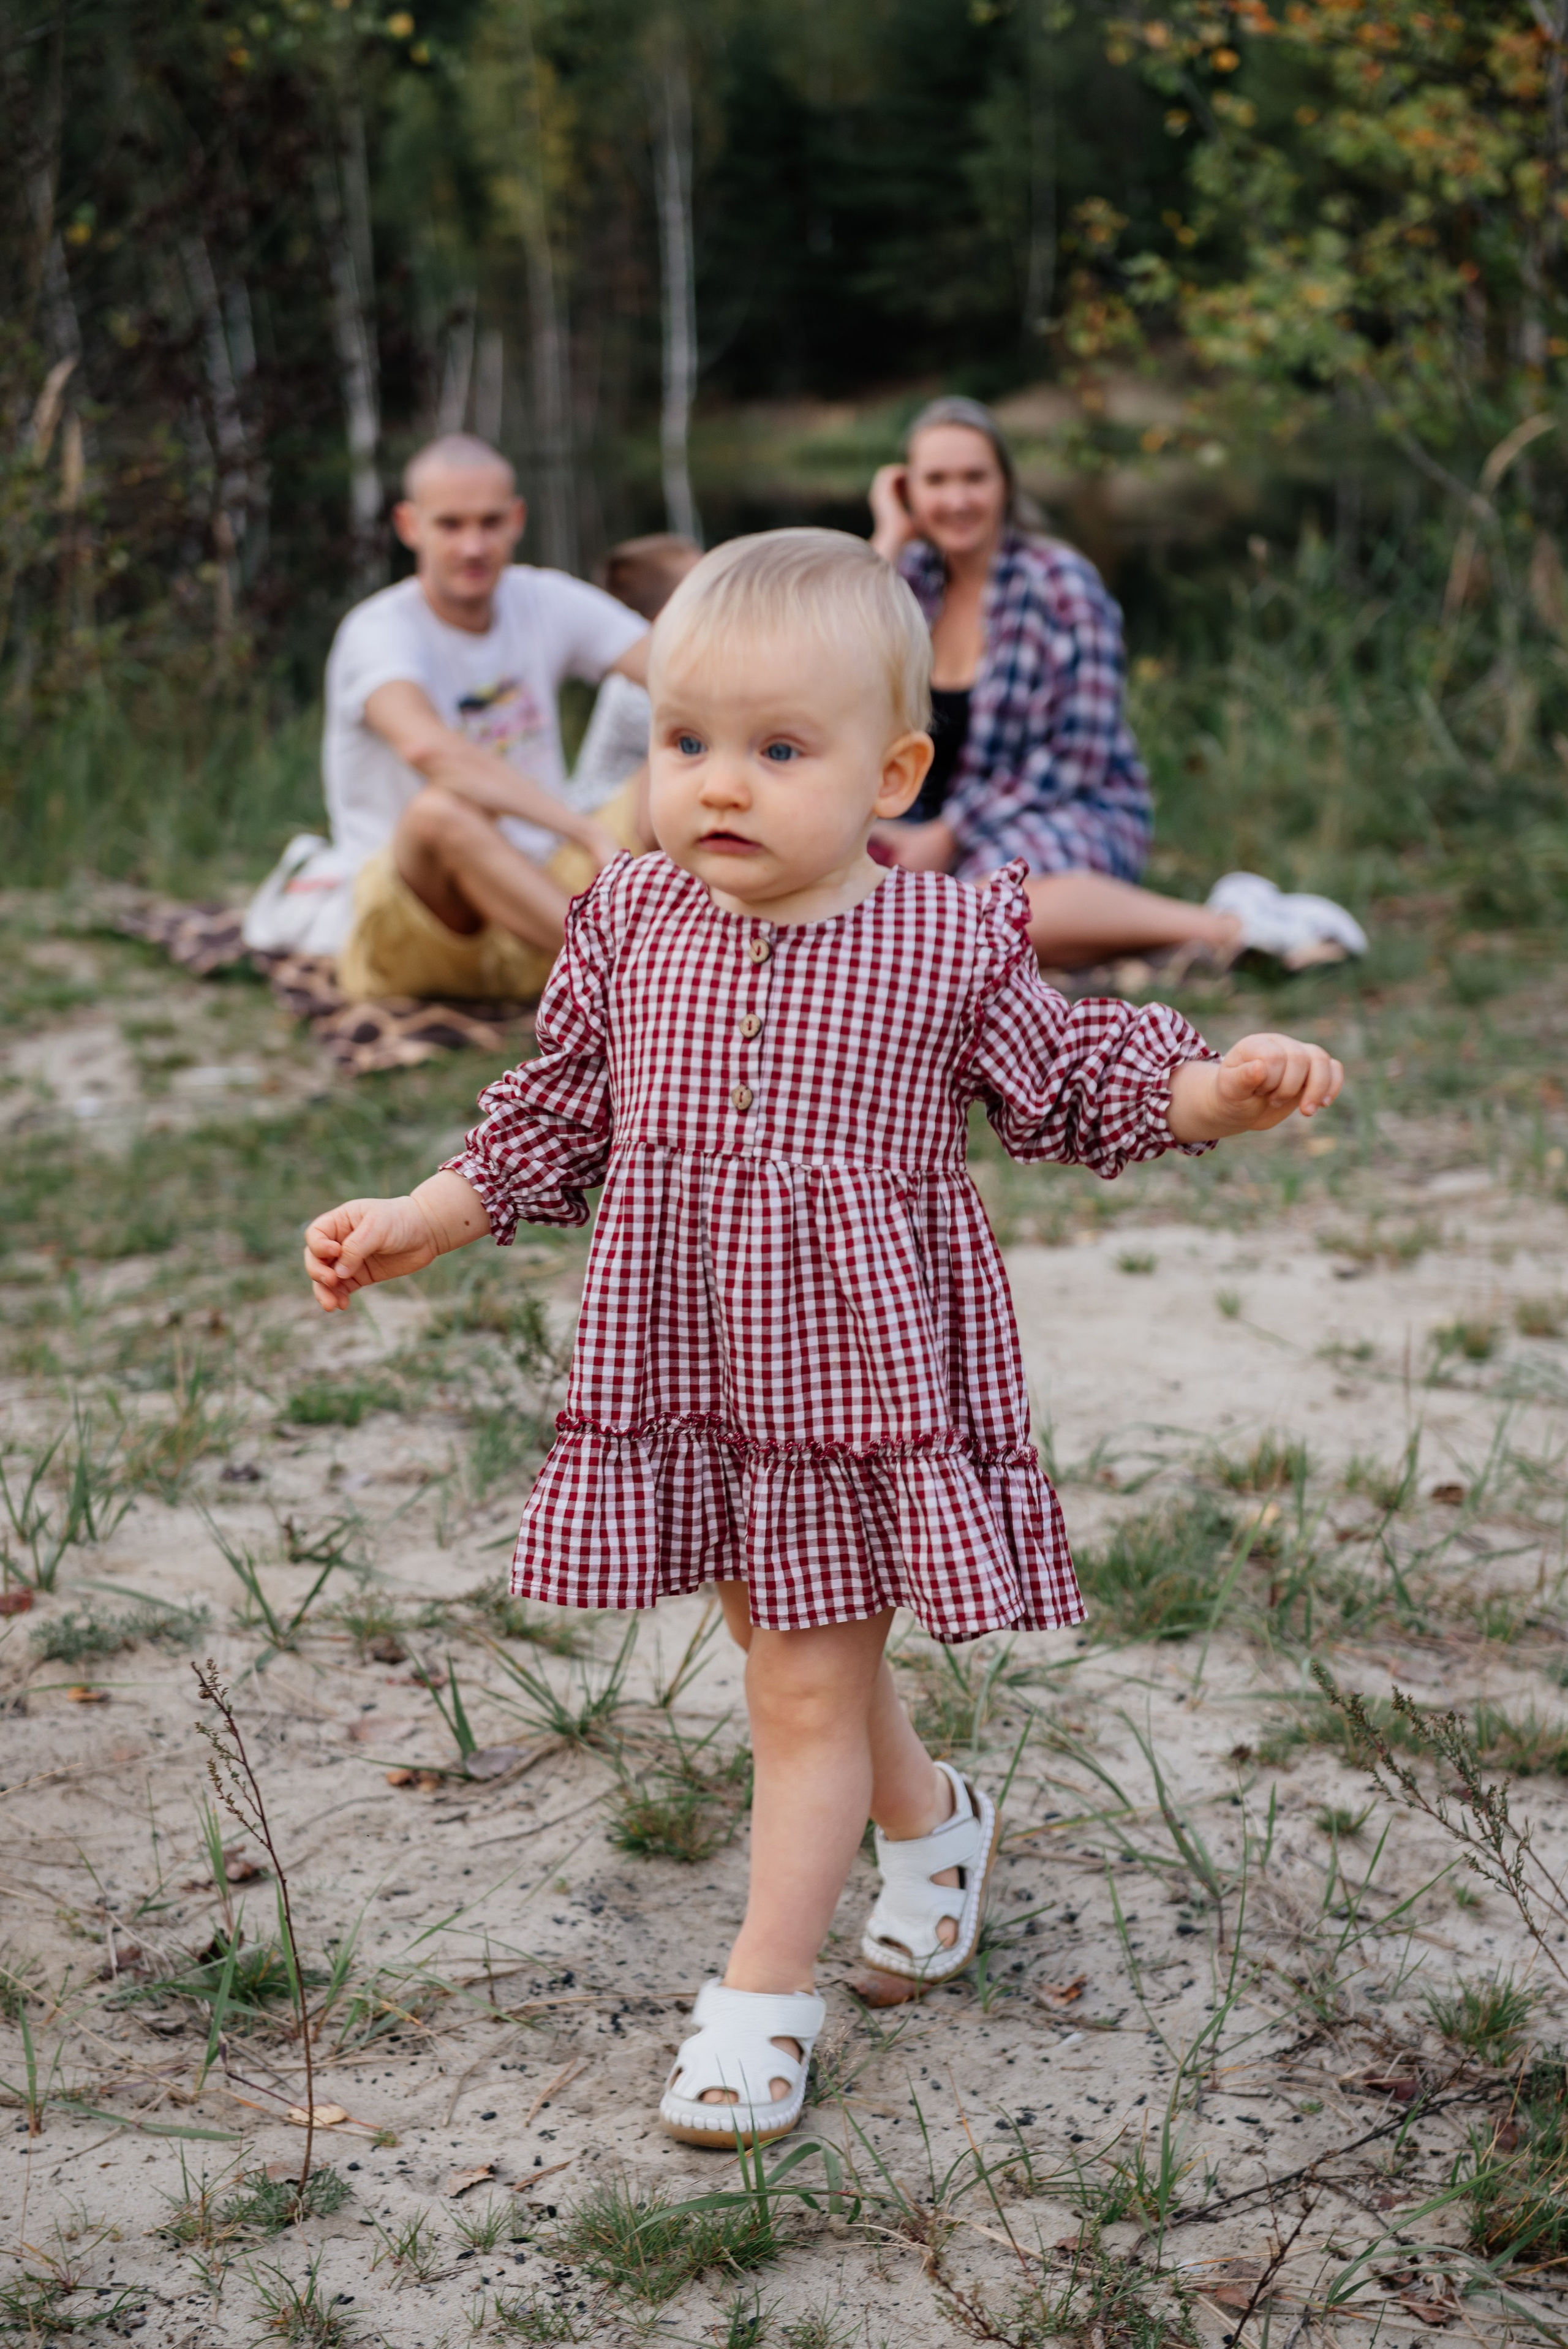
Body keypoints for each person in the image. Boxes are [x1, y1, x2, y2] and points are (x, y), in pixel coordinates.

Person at [301, 529, 1343, 2149]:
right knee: (780, 1641)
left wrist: (1221, 1087)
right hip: (692, 1359)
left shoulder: (945, 943)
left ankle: (759, 1998)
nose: (719, 784)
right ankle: (932, 1828)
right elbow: (558, 1115)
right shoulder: (636, 919)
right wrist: (416, 1216)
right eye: (685, 741)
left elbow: (1072, 1083)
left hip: (861, 1376)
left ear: (892, 766)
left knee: (797, 1688)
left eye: (778, 750)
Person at [869, 396, 1366, 973]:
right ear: (910, 491)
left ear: (1005, 483)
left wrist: (950, 833)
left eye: (974, 477)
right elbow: (832, 666)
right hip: (930, 829)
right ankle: (1150, 943)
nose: (956, 500)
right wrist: (887, 535)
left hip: (1073, 808)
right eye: (935, 481)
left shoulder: (1061, 583)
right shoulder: (907, 586)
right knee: (877, 911)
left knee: (978, 918)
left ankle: (1234, 926)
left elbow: (1079, 753)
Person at [243, 434, 654, 1001]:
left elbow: (678, 672)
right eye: (451, 525)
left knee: (675, 770)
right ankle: (639, 984)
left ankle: (746, 946)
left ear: (517, 520)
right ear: (410, 526)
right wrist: (583, 829)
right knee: (441, 811)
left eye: (489, 523)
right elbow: (429, 751)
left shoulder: (545, 599)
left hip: (544, 891)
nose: (473, 546)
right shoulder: (379, 631)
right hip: (419, 920)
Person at [565, 534, 701, 816]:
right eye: (706, 585)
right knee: (690, 759)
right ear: (671, 611)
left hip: (640, 811)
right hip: (600, 815)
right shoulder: (632, 685)